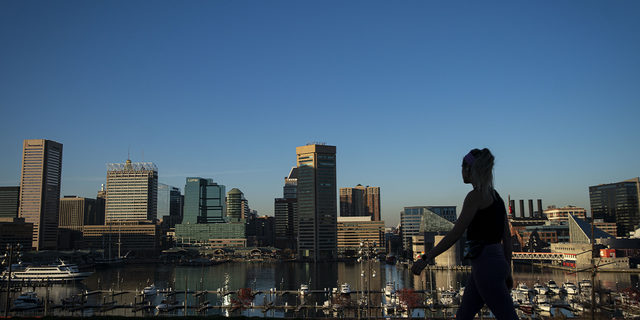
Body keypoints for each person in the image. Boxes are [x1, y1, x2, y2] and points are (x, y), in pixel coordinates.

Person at [411, 148, 518, 320]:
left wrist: (426, 258)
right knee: (463, 316)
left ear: (469, 169)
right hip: (493, 265)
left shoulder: (475, 196)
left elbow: (455, 233)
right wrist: (508, 271)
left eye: (462, 167)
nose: (461, 172)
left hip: (485, 267)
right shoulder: (496, 197)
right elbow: (507, 237)